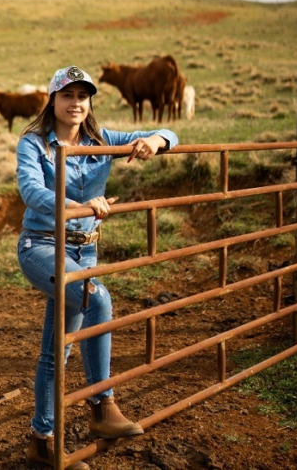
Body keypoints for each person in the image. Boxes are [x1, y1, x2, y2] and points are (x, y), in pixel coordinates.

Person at [16, 65, 178, 469]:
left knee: (58, 351)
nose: (76, 103)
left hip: (84, 251)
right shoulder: (34, 143)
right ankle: (103, 406)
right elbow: (31, 191)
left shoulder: (102, 139)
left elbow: (172, 133)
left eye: (82, 96)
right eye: (67, 95)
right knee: (97, 300)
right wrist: (81, 208)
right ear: (52, 100)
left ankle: (41, 442)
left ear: (90, 104)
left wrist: (154, 141)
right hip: (42, 246)